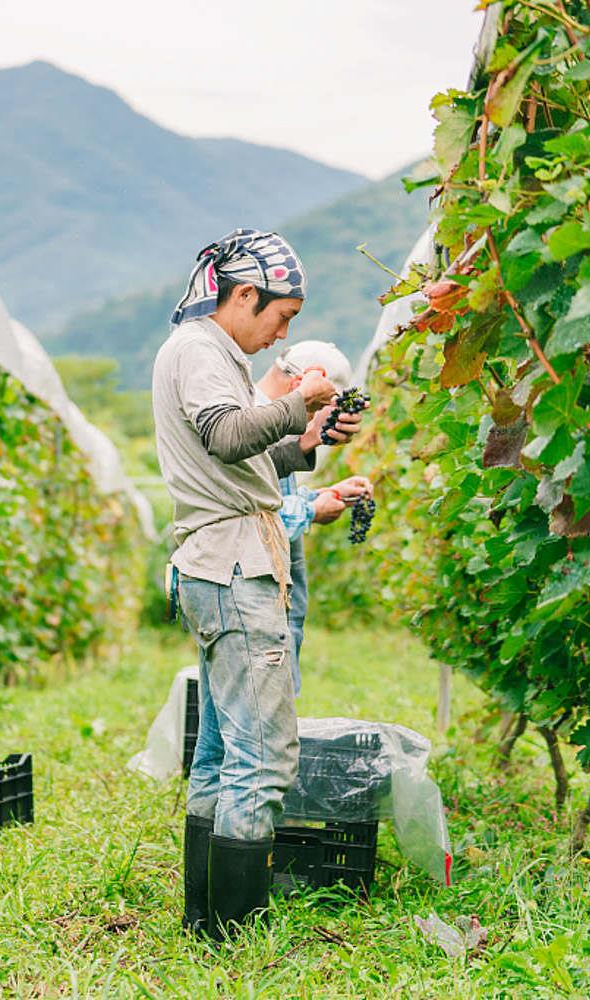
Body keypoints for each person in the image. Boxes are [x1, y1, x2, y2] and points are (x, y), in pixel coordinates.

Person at [152, 229, 336, 940]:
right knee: (264, 753)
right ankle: (234, 931)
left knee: (225, 749)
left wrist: (308, 437)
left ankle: (207, 917)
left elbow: (244, 457)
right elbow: (229, 436)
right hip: (234, 567)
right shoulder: (201, 350)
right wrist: (299, 400)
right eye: (281, 317)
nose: (281, 334)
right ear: (244, 294)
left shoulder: (213, 355)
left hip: (220, 562)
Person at [254, 342, 371, 696]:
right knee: (265, 718)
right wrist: (311, 510)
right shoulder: (255, 421)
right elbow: (253, 516)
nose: (320, 415)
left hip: (280, 601)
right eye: (322, 405)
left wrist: (321, 494)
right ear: (302, 385)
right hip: (262, 602)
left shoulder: (270, 419)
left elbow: (272, 494)